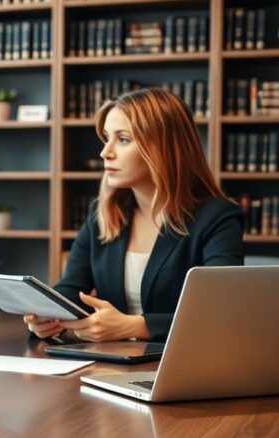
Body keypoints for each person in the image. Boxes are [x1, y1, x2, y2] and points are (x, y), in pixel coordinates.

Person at [26, 88, 243, 343]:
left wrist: (134, 327)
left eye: (123, 139)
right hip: (109, 364)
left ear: (163, 147)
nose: (105, 152)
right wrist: (48, 318)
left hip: (181, 365)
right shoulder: (102, 213)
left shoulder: (217, 217)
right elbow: (71, 289)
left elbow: (219, 313)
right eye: (106, 138)